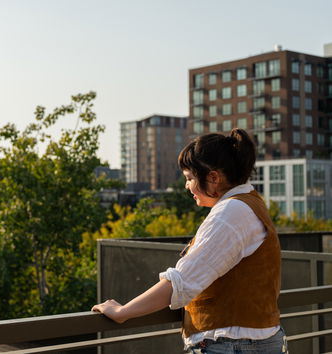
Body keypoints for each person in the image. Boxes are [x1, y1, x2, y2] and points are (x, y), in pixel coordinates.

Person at [92, 128, 288, 354]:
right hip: (251, 343)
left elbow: (182, 282)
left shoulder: (231, 212)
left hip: (232, 345)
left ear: (213, 177)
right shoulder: (250, 203)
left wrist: (122, 312)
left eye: (190, 178)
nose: (187, 187)